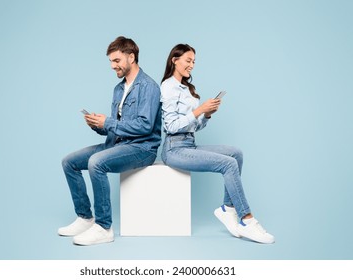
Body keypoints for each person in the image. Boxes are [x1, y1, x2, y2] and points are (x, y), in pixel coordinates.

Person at [160, 44, 274, 244]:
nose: (192, 65)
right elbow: (171, 126)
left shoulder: (187, 89)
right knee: (227, 164)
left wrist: (207, 115)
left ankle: (227, 209)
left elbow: (194, 127)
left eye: (194, 61)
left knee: (235, 154)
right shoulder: (168, 86)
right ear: (174, 60)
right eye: (188, 60)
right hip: (174, 148)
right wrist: (198, 110)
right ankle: (247, 220)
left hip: (189, 143)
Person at [59, 36, 162, 246]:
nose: (113, 66)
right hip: (116, 144)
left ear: (131, 57)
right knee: (69, 161)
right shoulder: (118, 89)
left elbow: (145, 126)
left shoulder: (149, 86)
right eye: (111, 62)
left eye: (116, 60)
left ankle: (104, 227)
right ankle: (86, 218)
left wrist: (109, 122)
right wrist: (99, 126)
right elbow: (116, 126)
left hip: (142, 148)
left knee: (96, 162)